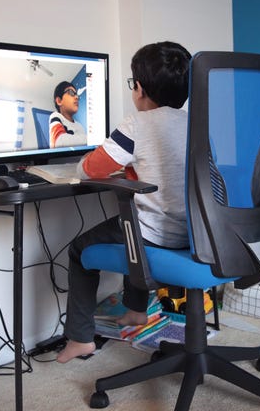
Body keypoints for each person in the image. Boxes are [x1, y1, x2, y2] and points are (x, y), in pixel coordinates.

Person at [56, 41, 192, 363]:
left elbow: (88, 169)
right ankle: (136, 311)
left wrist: (119, 161)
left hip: (155, 235)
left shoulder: (136, 125)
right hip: (196, 236)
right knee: (132, 225)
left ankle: (80, 338)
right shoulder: (195, 123)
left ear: (140, 89)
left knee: (82, 248)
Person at [49, 81, 87, 148]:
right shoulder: (56, 116)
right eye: (71, 92)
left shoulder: (79, 126)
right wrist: (92, 139)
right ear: (59, 101)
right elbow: (58, 142)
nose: (76, 97)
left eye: (76, 94)